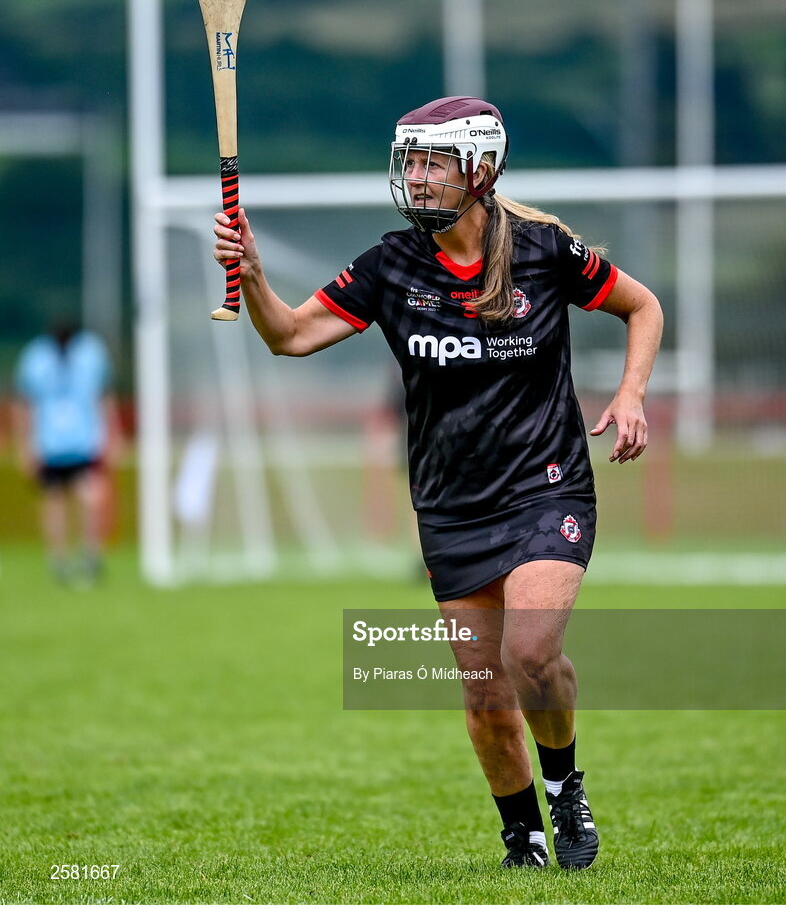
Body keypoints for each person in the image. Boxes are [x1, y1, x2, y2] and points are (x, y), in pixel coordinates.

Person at [213, 96, 663, 871]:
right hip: (452, 507)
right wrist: (251, 274)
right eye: (410, 162)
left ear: (480, 170)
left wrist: (631, 394)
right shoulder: (391, 267)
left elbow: (642, 306)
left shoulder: (544, 251)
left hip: (547, 486)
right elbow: (288, 335)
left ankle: (565, 789)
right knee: (485, 694)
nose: (416, 178)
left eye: (433, 163)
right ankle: (522, 838)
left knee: (530, 652)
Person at [13, 322, 121, 585]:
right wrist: (24, 445)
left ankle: (91, 555)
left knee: (91, 496)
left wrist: (113, 434)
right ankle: (59, 560)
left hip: (84, 442)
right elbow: (23, 402)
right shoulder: (35, 357)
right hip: (50, 444)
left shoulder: (91, 353)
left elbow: (105, 396)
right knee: (54, 500)